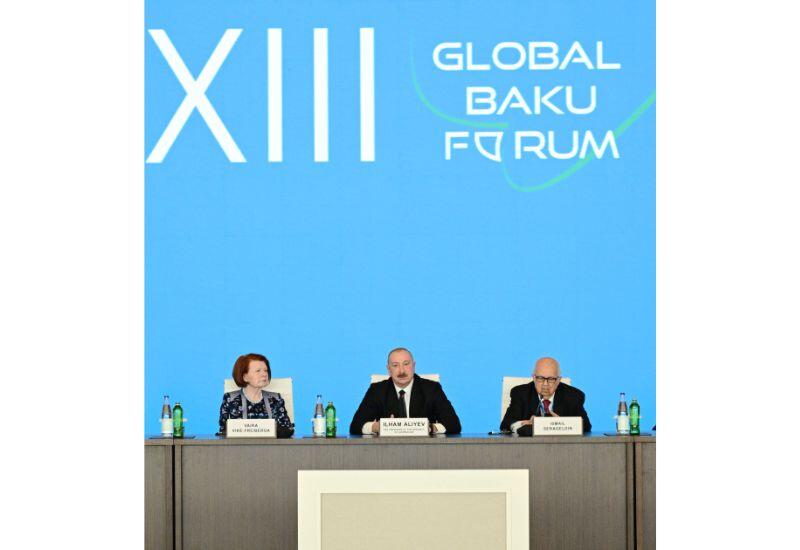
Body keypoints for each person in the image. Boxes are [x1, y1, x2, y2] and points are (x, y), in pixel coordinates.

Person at [349, 347, 461, 435]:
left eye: (406, 364)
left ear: (414, 365)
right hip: (387, 450)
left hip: (424, 450)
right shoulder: (377, 390)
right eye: (395, 365)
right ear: (388, 369)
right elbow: (355, 426)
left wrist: (431, 428)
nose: (401, 371)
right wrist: (376, 427)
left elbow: (454, 424)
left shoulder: (431, 388)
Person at [500, 357, 592, 435]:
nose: (545, 384)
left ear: (558, 380)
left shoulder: (573, 396)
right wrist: (523, 424)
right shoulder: (520, 393)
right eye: (540, 378)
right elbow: (505, 424)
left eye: (551, 379)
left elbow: (586, 426)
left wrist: (562, 424)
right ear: (534, 378)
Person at [218, 353, 294, 437]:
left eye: (265, 370)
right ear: (245, 377)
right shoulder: (230, 399)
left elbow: (288, 429)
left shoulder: (276, 399)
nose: (264, 374)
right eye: (258, 371)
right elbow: (223, 432)